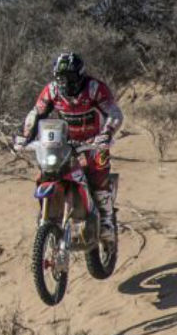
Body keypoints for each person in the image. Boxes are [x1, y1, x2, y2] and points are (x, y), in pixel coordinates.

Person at [15, 51, 124, 240]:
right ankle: (48, 217)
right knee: (45, 172)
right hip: (64, 142)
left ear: (80, 75)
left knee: (98, 173)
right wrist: (25, 136)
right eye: (60, 78)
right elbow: (36, 112)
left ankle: (106, 219)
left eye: (70, 77)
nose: (65, 82)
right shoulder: (52, 91)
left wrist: (107, 133)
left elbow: (114, 112)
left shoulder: (94, 88)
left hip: (95, 141)